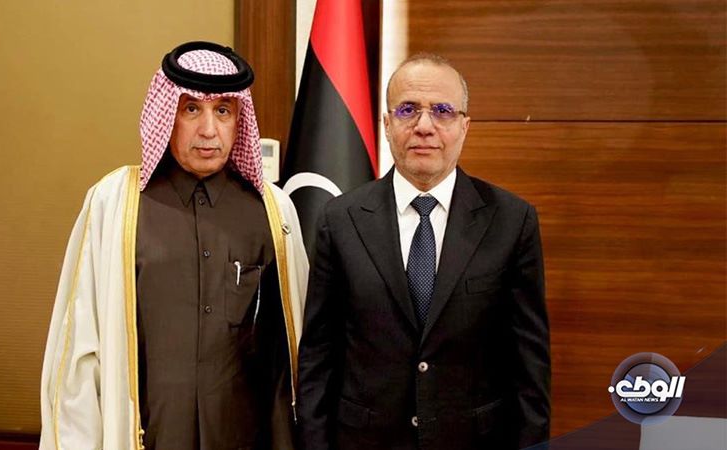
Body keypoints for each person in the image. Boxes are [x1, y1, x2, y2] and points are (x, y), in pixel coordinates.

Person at [39, 41, 308, 450]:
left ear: (239, 119)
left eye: (223, 111)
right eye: (191, 109)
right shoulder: (115, 204)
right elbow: (77, 354)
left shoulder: (274, 211)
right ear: (166, 115)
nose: (208, 130)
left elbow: (289, 361)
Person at [296, 53, 550, 450]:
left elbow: (529, 367)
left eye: (443, 111)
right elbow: (318, 358)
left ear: (464, 127)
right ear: (387, 124)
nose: (424, 126)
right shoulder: (340, 219)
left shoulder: (511, 221)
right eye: (407, 110)